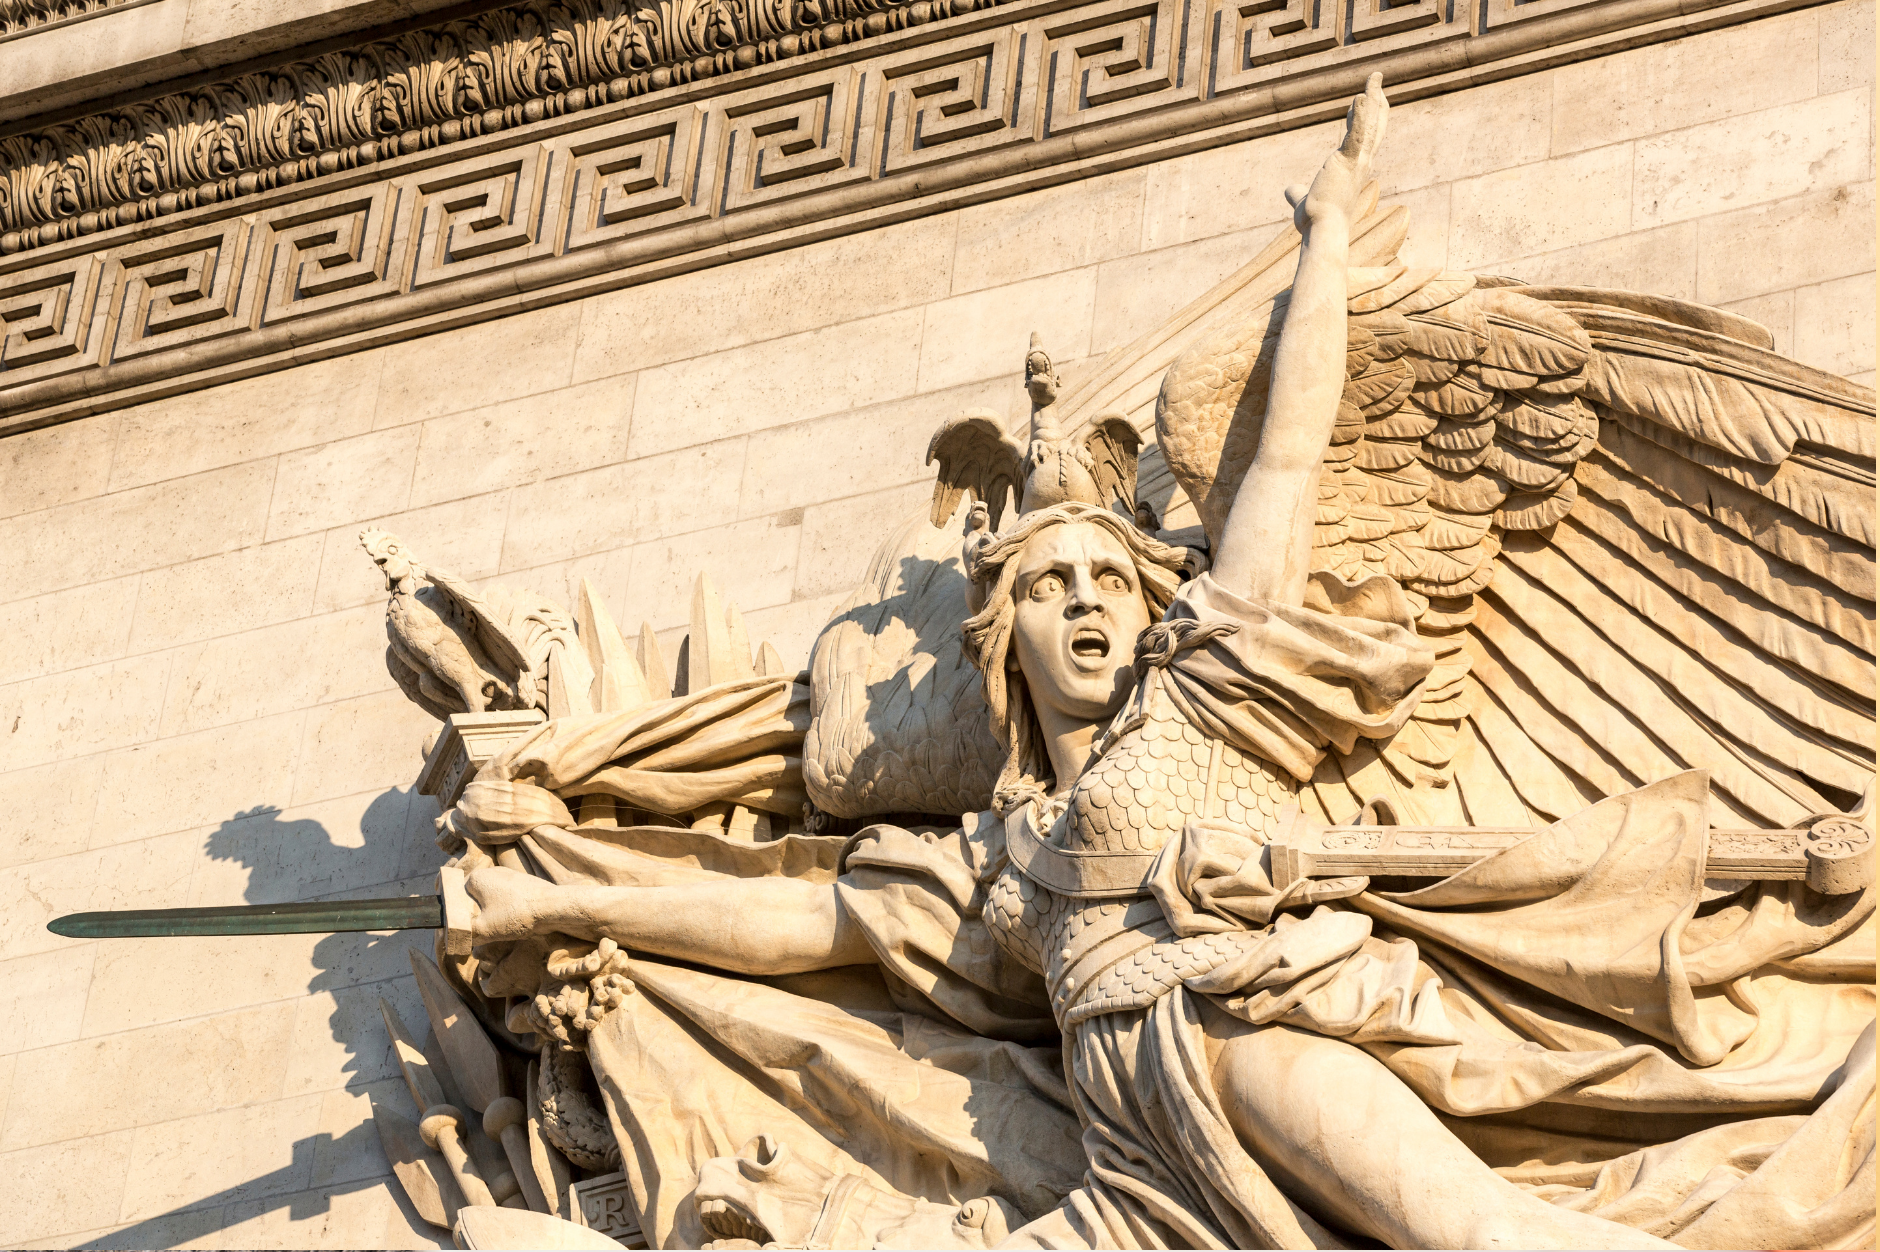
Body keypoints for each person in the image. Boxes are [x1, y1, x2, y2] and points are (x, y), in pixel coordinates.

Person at [463, 76, 1874, 1250]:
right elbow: (805, 923)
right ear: (1001, 637)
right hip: (1130, 1154)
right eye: (1049, 587)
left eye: (1106, 582)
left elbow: (1293, 457)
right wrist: (574, 891)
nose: (1084, 603)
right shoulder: (1000, 858)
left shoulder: (1206, 693)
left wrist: (1324, 250)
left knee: (1486, 1241)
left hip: (1247, 1041)